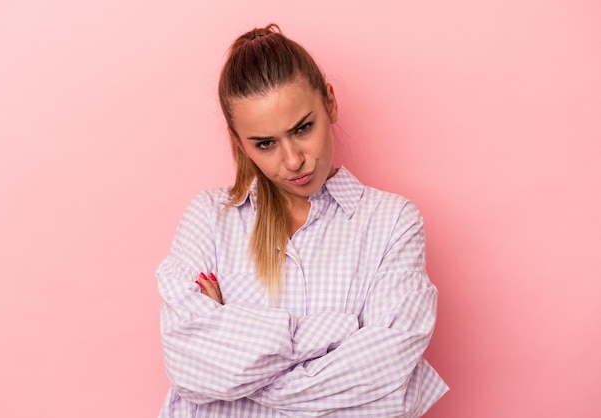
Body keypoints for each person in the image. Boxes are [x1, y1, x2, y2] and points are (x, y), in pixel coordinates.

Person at [156, 23, 448, 417]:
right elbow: (187, 366)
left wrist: (237, 355)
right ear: (238, 140)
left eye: (302, 128)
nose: (293, 161)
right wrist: (340, 330)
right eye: (265, 143)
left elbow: (387, 387)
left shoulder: (393, 223)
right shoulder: (209, 218)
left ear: (330, 102)